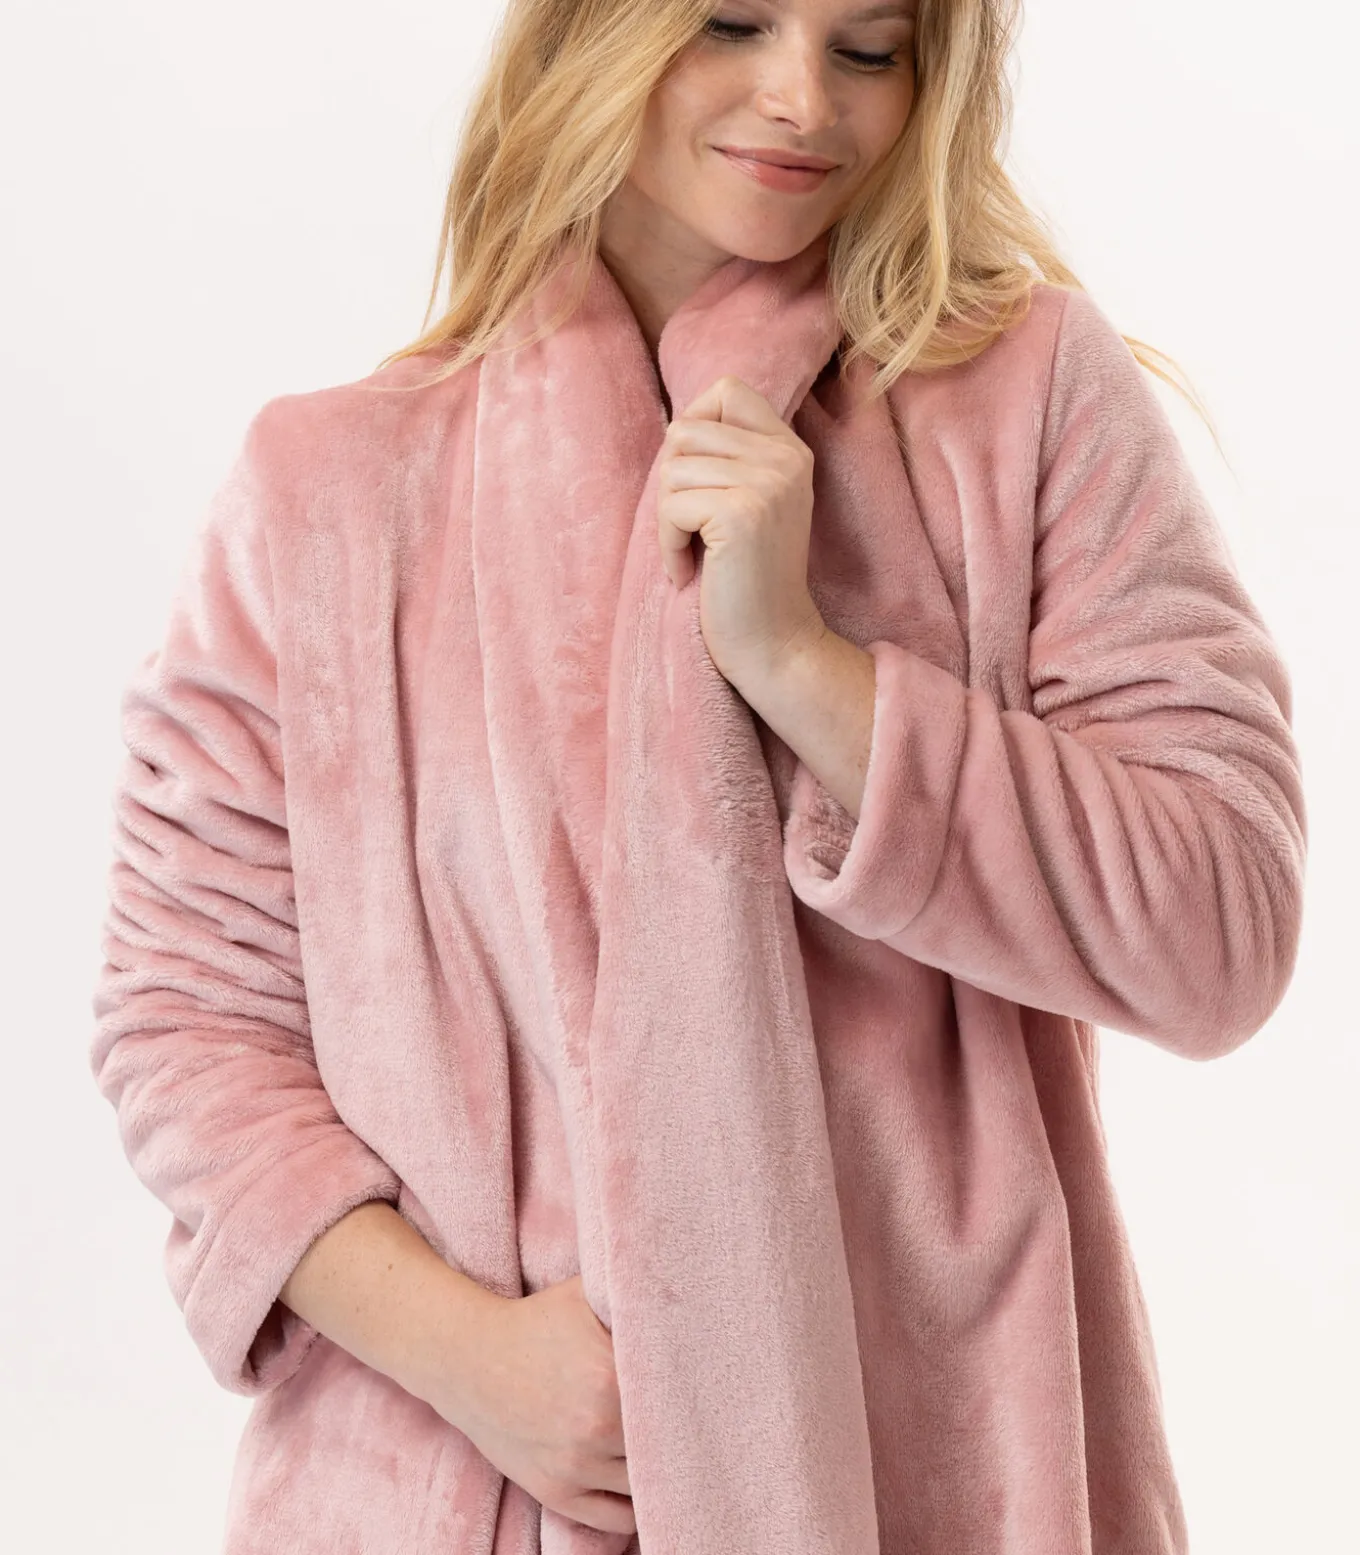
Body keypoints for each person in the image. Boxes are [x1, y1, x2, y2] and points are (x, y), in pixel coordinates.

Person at [88, 2, 1307, 1553]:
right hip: (450, 1487)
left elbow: (1221, 921)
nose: (802, 99)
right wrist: (474, 1359)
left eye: (868, 50)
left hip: (933, 1478)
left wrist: (806, 668)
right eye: (732, 23)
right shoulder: (327, 492)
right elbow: (185, 1015)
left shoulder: (1024, 400)